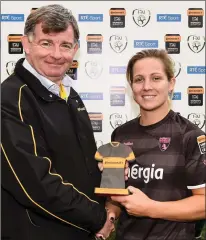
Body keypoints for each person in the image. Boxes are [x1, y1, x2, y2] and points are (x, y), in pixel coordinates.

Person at [1, 4, 115, 240]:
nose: (56, 54)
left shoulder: (69, 95)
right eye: (46, 43)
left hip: (80, 229)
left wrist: (108, 195)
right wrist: (99, 218)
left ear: (75, 49)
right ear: (26, 44)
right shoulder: (11, 97)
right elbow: (34, 185)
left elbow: (79, 165)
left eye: (65, 45)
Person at [107, 49, 206, 240]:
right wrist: (110, 216)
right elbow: (114, 193)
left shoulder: (191, 136)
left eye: (156, 78)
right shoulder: (120, 135)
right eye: (138, 79)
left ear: (171, 83)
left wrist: (151, 208)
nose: (146, 86)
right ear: (131, 86)